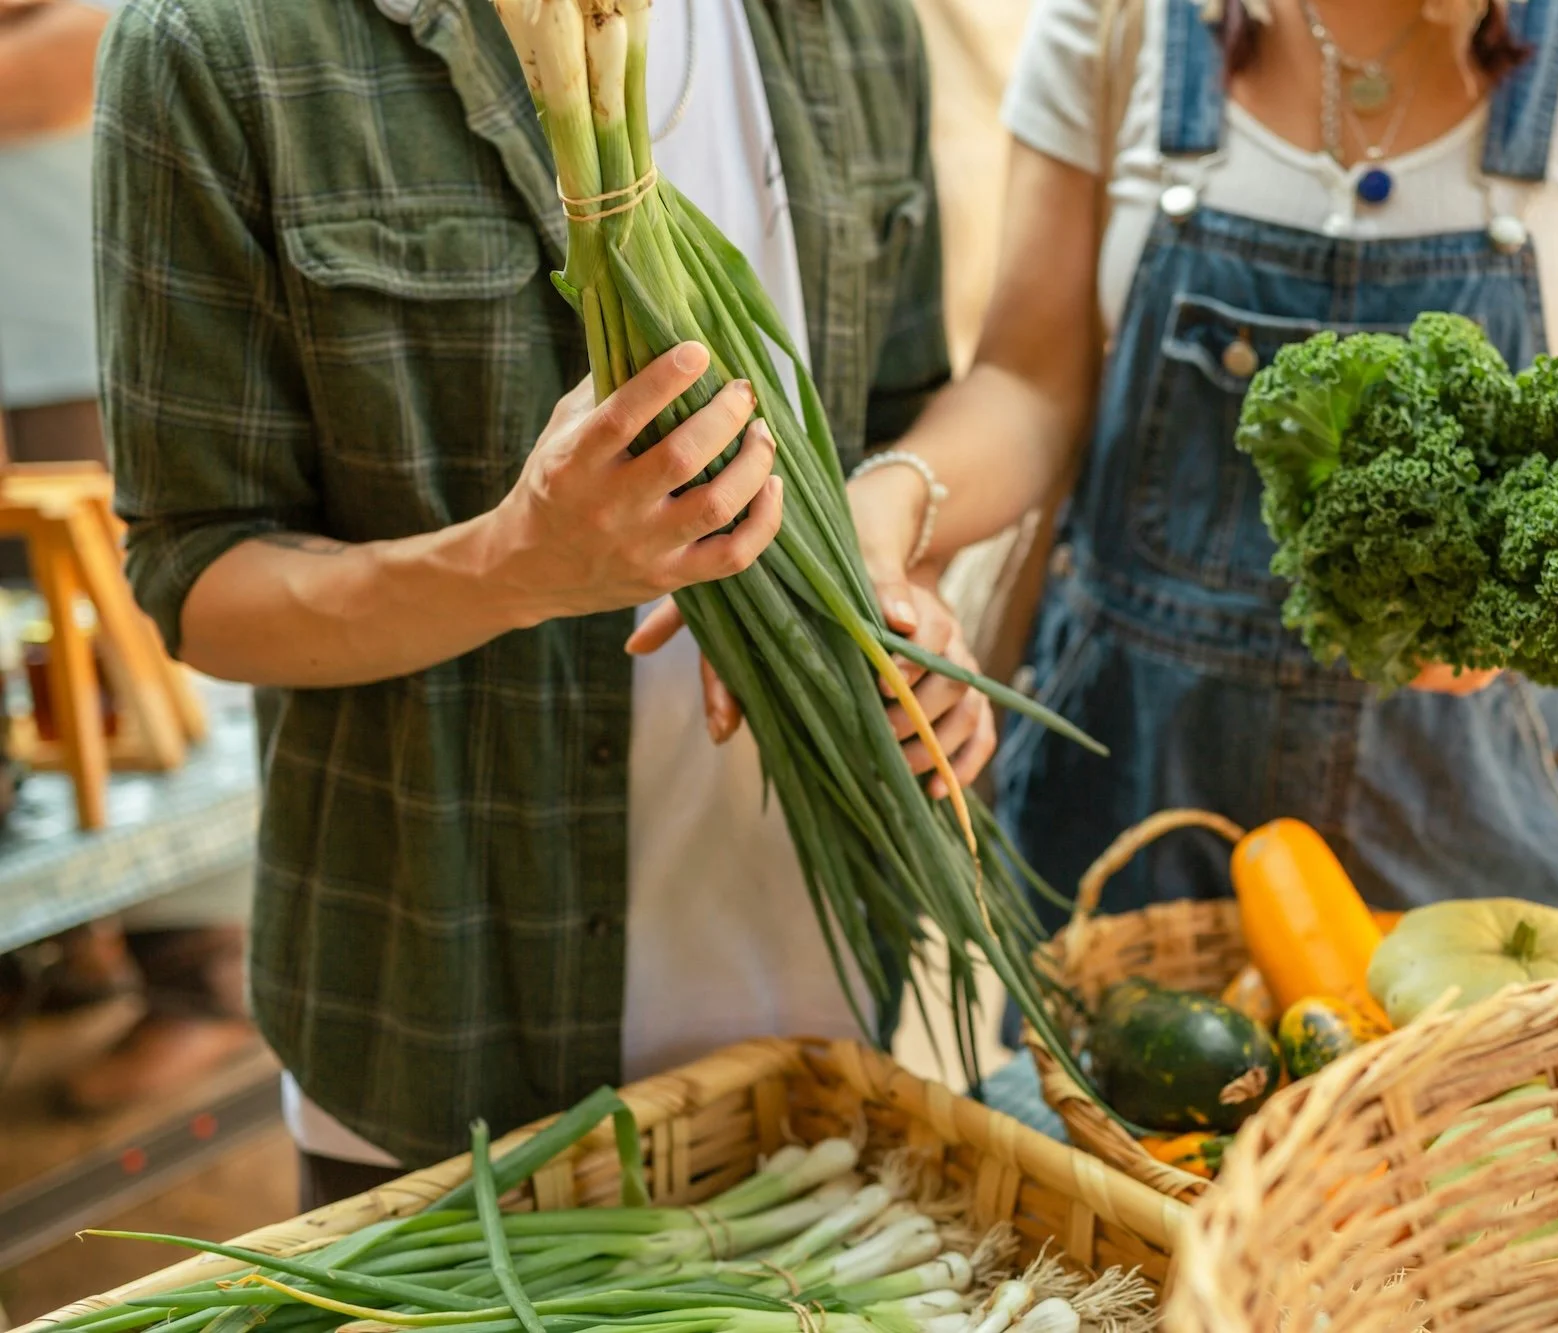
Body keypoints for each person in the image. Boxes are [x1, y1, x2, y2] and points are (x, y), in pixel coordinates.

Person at [94, 0, 991, 1208]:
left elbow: (887, 427)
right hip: (450, 1053)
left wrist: (895, 604)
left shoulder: (851, 23)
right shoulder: (217, 40)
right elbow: (199, 582)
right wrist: (513, 566)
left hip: (822, 1041)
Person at [843, 0, 1558, 939]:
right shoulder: (1113, 26)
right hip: (1130, 788)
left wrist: (1519, 594)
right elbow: (1028, 382)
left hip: (1469, 817)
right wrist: (888, 499)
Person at [1, 0, 257, 1113]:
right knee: (33, 647)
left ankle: (201, 979)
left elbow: (89, 44)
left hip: (78, 316)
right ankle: (71, 944)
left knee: (137, 636)